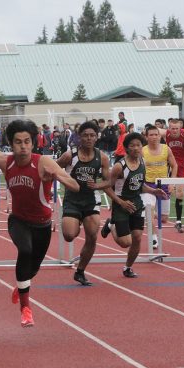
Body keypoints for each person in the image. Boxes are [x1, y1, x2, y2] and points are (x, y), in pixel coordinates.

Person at [0, 119, 79, 328]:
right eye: (18, 142)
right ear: (11, 143)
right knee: (25, 251)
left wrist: (57, 177)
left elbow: (75, 186)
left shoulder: (43, 162)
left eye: (27, 141)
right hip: (18, 221)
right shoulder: (5, 161)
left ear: (33, 142)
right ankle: (26, 309)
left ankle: (22, 285)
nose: (23, 146)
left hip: (42, 224)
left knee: (32, 269)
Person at [100, 131, 167, 278]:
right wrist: (120, 202)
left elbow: (140, 185)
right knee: (125, 242)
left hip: (136, 203)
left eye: (138, 145)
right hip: (121, 205)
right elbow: (107, 186)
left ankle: (128, 267)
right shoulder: (119, 166)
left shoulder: (142, 161)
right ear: (126, 148)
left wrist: (154, 191)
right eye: (132, 145)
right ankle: (111, 225)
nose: (136, 148)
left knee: (137, 238)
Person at [54, 121, 110, 286]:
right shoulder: (69, 155)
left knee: (92, 236)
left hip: (91, 200)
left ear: (97, 137)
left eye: (92, 135)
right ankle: (76, 220)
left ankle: (80, 271)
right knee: (69, 235)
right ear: (79, 137)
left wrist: (98, 185)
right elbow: (53, 170)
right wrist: (66, 181)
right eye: (85, 135)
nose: (89, 138)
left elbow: (108, 181)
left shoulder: (103, 157)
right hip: (72, 199)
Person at [141, 125, 178, 248]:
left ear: (159, 136)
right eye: (151, 135)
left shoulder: (166, 149)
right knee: (149, 209)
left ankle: (146, 213)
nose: (154, 137)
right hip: (148, 185)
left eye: (156, 134)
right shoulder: (142, 150)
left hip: (163, 185)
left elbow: (174, 166)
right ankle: (153, 238)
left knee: (164, 219)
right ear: (146, 137)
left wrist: (172, 182)